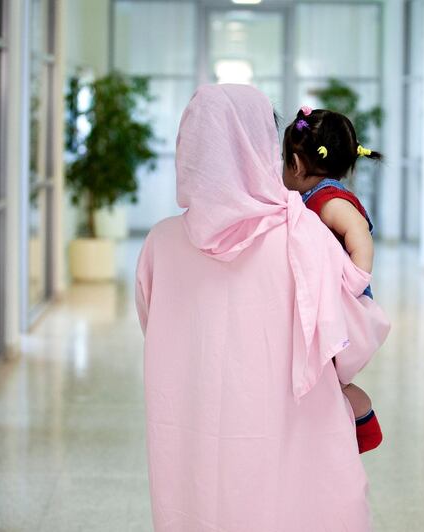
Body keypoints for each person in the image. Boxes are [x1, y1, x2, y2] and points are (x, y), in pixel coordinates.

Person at [135, 84, 390, 532]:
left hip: (192, 430)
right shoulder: (301, 236)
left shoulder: (159, 243)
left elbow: (155, 327)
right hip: (293, 438)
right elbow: (351, 344)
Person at [281, 106, 384, 454]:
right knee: (326, 376)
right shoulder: (317, 197)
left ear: (295, 165)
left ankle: (361, 418)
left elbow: (358, 231)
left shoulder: (326, 200)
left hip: (344, 301)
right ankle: (349, 420)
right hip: (335, 298)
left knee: (329, 376)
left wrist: (355, 279)